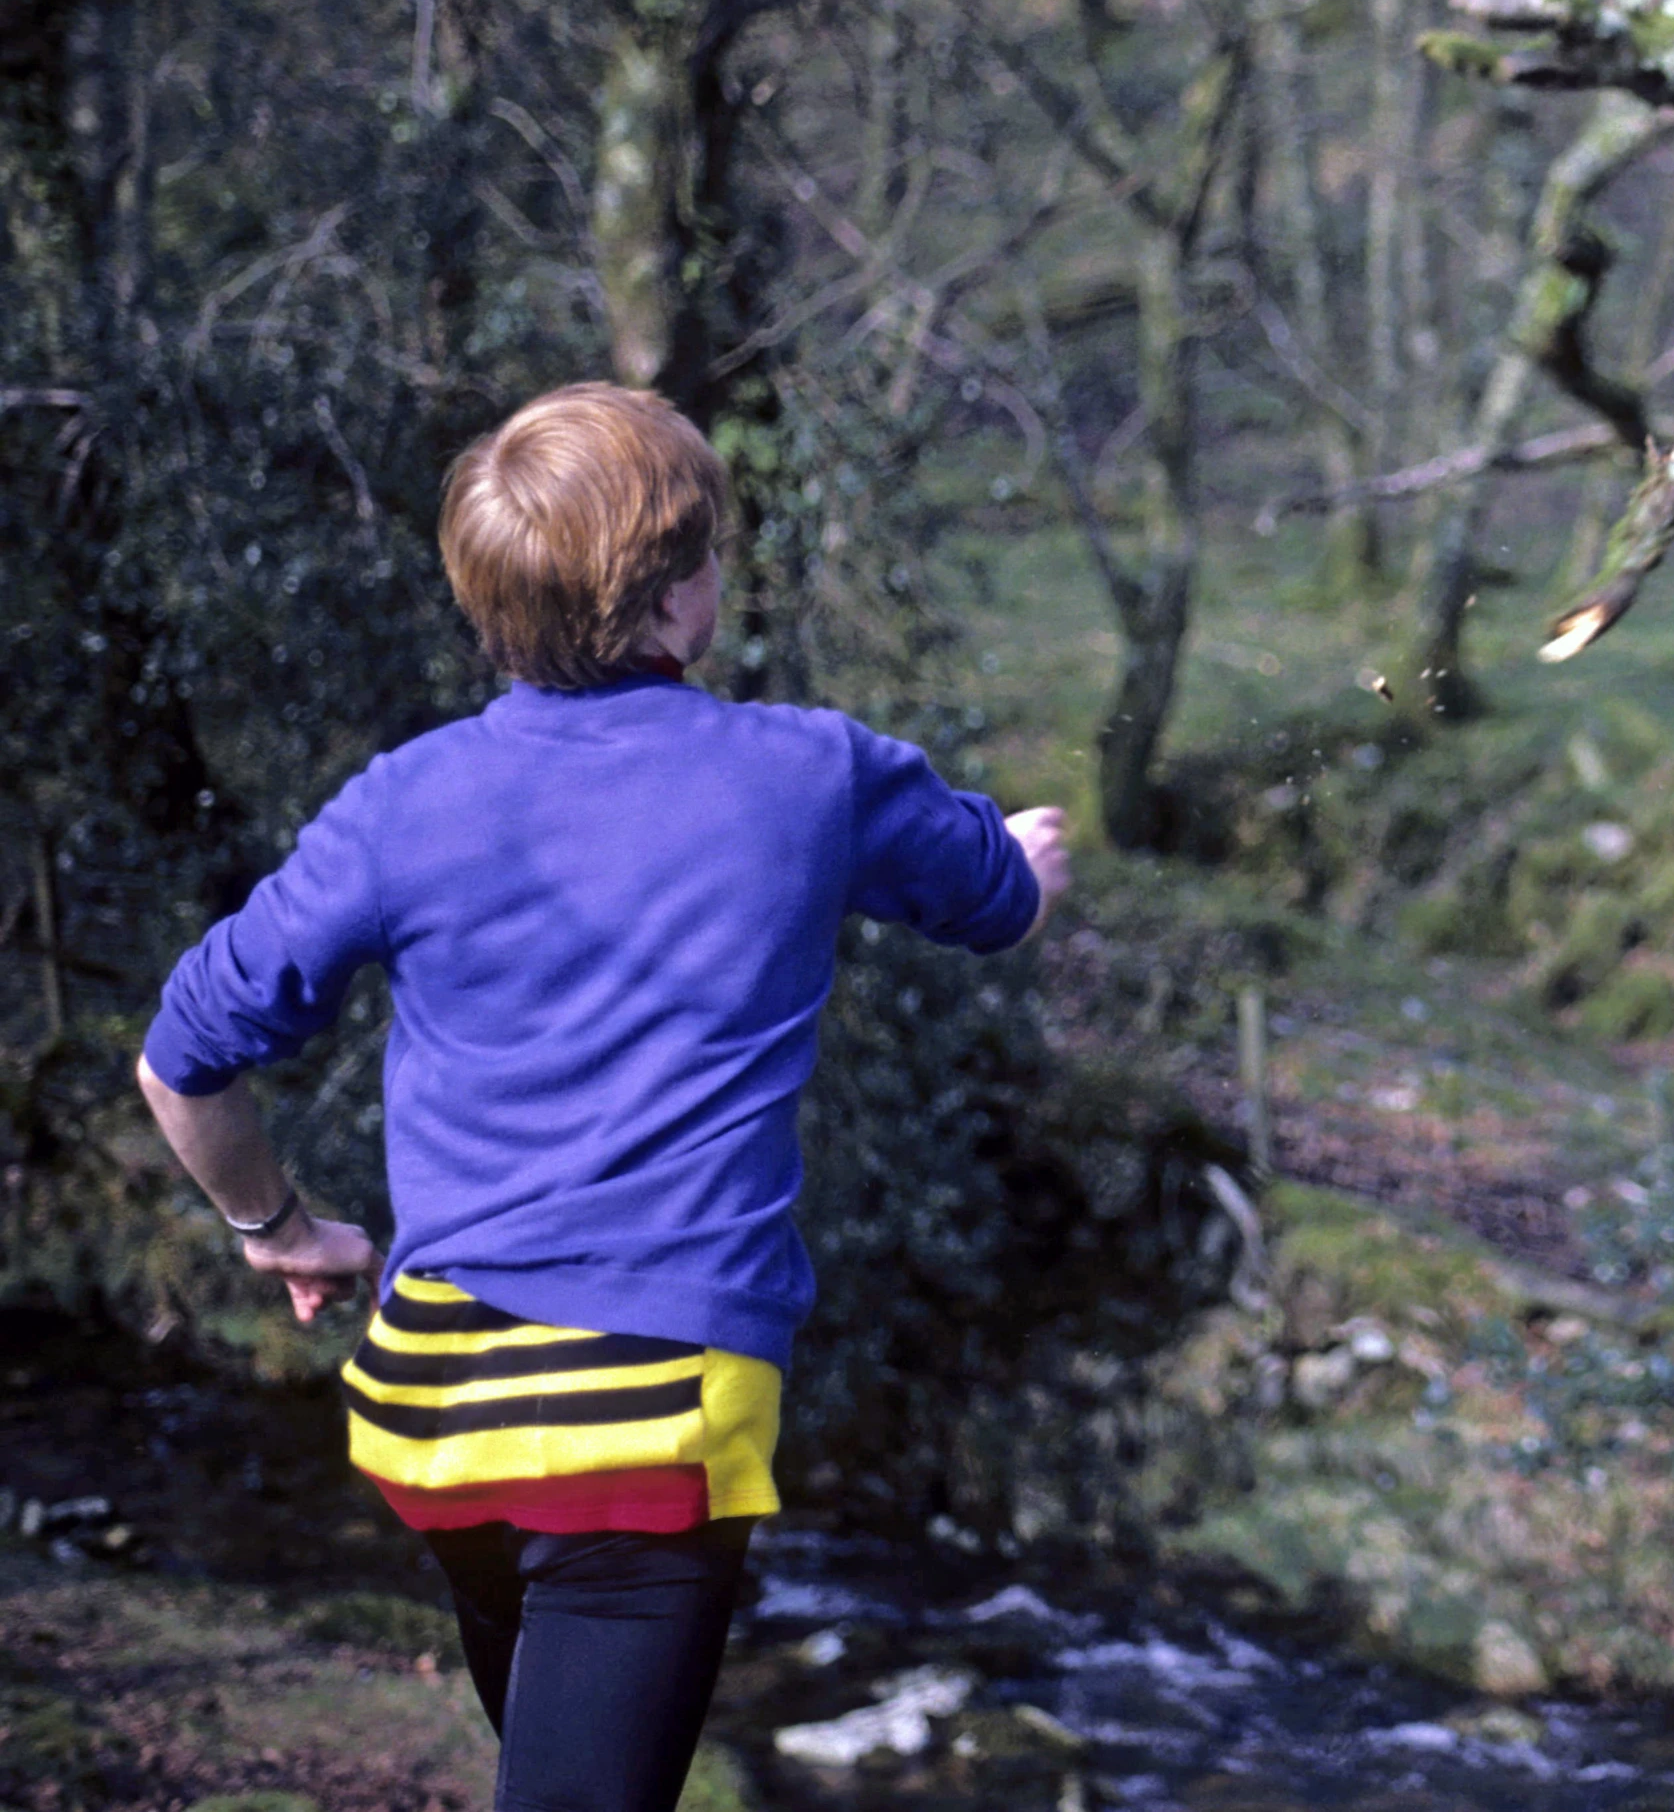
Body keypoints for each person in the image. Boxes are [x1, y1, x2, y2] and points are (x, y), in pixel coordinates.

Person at [132, 381, 1072, 1812]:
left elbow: (179, 1058)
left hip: (435, 1415)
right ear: (677, 595)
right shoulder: (810, 773)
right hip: (642, 1423)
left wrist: (279, 1225)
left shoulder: (400, 802)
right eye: (705, 551)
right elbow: (994, 898)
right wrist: (1029, 853)